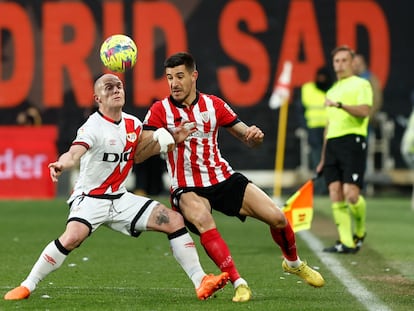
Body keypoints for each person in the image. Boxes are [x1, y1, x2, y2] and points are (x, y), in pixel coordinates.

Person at [4, 73, 229, 301]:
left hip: (120, 198)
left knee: (174, 221)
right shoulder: (92, 126)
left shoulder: (133, 124)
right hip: (91, 198)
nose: (115, 90)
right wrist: (62, 163)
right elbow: (74, 153)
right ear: (97, 98)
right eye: (108, 88)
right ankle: (27, 285)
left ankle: (201, 280)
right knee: (73, 237)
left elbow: (140, 155)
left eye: (119, 86)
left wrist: (172, 137)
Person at [138, 52, 325, 303]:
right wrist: (169, 137)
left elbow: (246, 136)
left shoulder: (214, 104)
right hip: (187, 186)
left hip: (222, 177)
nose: (174, 83)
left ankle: (293, 263)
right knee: (204, 220)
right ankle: (239, 282)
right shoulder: (160, 110)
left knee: (278, 218)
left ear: (194, 76)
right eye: (170, 77)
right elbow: (138, 154)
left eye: (180, 76)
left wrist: (254, 137)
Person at [316, 46, 373, 254]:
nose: (339, 64)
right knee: (334, 192)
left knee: (351, 194)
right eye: (336, 61)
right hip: (332, 144)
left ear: (352, 63)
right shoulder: (331, 90)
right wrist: (323, 157)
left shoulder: (361, 84)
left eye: (343, 60)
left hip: (352, 141)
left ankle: (360, 230)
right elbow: (328, 126)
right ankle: (346, 242)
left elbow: (364, 111)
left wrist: (340, 105)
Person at [300, 67, 333, 194]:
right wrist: (305, 127)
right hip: (313, 129)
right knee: (316, 159)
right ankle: (319, 187)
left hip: (330, 128)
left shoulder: (334, 89)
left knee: (329, 158)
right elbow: (300, 110)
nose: (321, 79)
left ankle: (328, 187)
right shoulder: (307, 89)